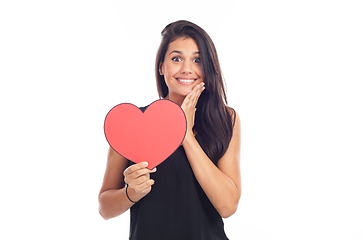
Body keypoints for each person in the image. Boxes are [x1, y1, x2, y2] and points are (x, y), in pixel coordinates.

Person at [98, 20, 241, 240]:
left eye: (197, 60)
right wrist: (131, 193)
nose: (187, 68)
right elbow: (105, 208)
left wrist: (186, 136)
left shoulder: (225, 119)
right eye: (176, 58)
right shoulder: (131, 123)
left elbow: (228, 206)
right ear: (161, 66)